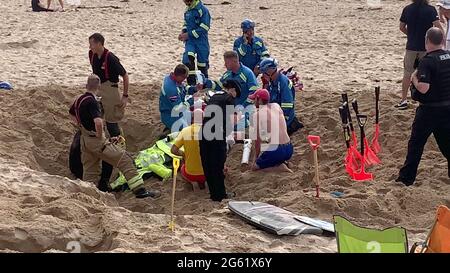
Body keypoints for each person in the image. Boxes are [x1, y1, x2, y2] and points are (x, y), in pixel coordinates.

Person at [69, 75, 160, 198]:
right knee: (124, 160)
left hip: (85, 140)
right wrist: (100, 135)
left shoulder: (79, 99)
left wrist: (80, 125)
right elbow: (98, 122)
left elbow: (72, 114)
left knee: (90, 171)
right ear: (99, 86)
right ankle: (140, 191)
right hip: (96, 141)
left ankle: (88, 196)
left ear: (86, 86)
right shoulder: (93, 101)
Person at [396, 27, 450, 186]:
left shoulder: (427, 61)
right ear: (442, 40)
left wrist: (414, 79)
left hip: (429, 110)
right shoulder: (448, 56)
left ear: (427, 41)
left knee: (416, 144)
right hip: (447, 107)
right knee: (447, 144)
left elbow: (424, 88)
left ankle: (406, 178)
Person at [88, 33, 129, 185]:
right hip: (99, 88)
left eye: (92, 43)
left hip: (111, 89)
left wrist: (124, 96)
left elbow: (125, 75)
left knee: (112, 123)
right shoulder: (92, 55)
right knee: (96, 116)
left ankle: (119, 148)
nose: (90, 47)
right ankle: (99, 145)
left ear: (99, 43)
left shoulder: (110, 58)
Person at [199, 79, 241, 202]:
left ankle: (213, 194)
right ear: (232, 90)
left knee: (207, 164)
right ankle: (221, 195)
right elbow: (230, 122)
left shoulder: (214, 96)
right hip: (217, 134)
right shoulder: (229, 99)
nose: (235, 97)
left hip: (203, 133)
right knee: (218, 165)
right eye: (236, 94)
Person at [397, 0, 442, 110]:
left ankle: (403, 100)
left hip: (411, 46)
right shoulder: (430, 9)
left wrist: (410, 35)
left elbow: (401, 27)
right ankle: (424, 99)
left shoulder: (407, 9)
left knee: (407, 73)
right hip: (426, 47)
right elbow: (438, 26)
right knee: (425, 74)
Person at [249, 89, 293, 173]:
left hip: (277, 150)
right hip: (289, 148)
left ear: (259, 100)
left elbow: (257, 143)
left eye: (254, 99)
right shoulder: (276, 106)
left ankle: (280, 168)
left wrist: (256, 160)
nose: (253, 102)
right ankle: (283, 162)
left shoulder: (256, 115)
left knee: (255, 168)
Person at [259, 58, 303, 135]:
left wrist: (280, 123)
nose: (263, 76)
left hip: (286, 121)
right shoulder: (273, 81)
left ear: (270, 72)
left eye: (264, 73)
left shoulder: (283, 83)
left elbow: (287, 106)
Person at [159, 64, 202, 133]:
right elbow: (179, 108)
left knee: (195, 115)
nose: (184, 79)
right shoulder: (171, 88)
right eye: (184, 77)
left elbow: (183, 89)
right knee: (187, 133)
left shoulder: (172, 78)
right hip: (170, 115)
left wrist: (194, 88)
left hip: (176, 111)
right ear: (179, 76)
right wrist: (192, 99)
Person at [171, 109, 206, 190]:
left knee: (183, 165)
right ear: (204, 119)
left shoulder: (185, 131)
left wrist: (183, 154)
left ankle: (192, 182)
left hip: (191, 174)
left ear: (192, 119)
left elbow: (173, 150)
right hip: (209, 174)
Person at [179, 0, 211, 85]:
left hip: (201, 42)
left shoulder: (203, 10)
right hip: (190, 41)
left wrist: (188, 34)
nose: (185, 2)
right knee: (188, 60)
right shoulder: (187, 11)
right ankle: (191, 85)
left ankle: (204, 84)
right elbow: (186, 24)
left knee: (202, 65)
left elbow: (205, 28)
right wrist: (183, 32)